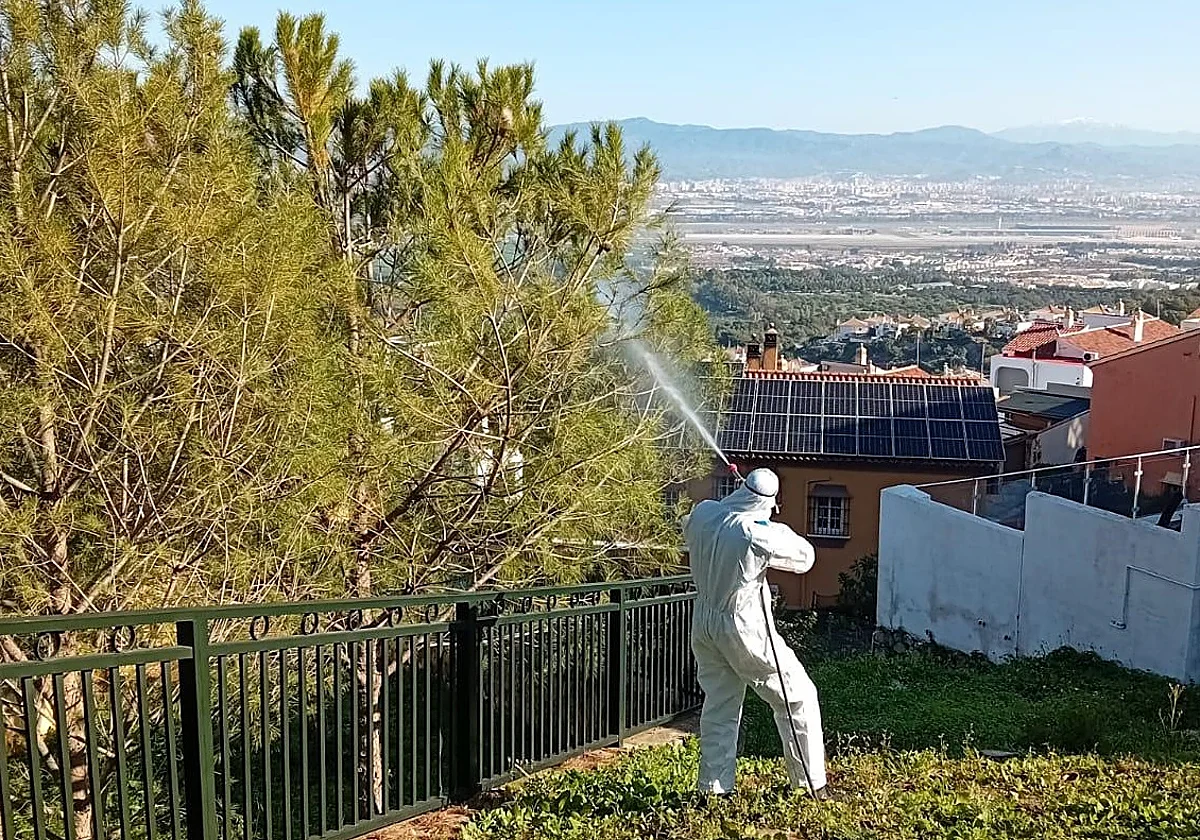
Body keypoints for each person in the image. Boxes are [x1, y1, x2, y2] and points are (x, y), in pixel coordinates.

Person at [683, 467, 828, 798]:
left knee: (720, 704)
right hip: (743, 626)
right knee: (797, 698)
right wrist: (771, 521)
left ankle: (713, 789)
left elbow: (689, 524)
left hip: (704, 621)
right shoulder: (755, 534)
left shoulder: (704, 513)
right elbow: (804, 558)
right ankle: (810, 785)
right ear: (768, 502)